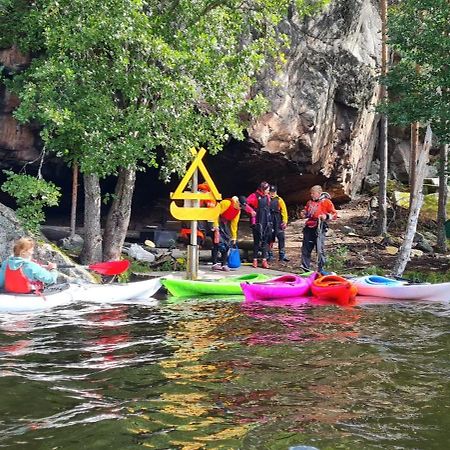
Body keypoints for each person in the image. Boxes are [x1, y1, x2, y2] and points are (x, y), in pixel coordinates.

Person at [300, 185, 337, 274]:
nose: (311, 195)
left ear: (319, 193)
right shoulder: (309, 202)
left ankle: (321, 269)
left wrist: (326, 216)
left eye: (313, 193)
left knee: (320, 249)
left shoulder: (326, 202)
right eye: (311, 193)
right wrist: (303, 213)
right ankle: (305, 268)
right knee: (306, 249)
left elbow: (334, 214)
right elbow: (307, 212)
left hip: (320, 227)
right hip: (309, 227)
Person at [211, 196, 254, 271]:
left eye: (242, 207)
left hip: (224, 224)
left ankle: (223, 264)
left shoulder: (238, 211)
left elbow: (234, 225)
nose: (240, 208)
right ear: (237, 202)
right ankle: (214, 263)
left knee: (227, 243)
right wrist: (215, 226)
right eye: (240, 206)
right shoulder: (226, 203)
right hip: (216, 221)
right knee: (217, 243)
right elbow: (215, 213)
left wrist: (234, 237)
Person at [246, 181, 273, 269]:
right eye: (267, 190)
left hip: (266, 220)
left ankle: (264, 260)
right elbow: (245, 204)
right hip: (257, 220)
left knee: (265, 241)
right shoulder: (254, 196)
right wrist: (251, 211)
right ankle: (255, 260)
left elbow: (268, 208)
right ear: (262, 189)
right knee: (257, 241)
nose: (268, 191)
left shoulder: (268, 197)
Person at [268, 185, 290, 262]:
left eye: (273, 192)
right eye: (270, 192)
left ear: (276, 192)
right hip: (269, 219)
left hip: (277, 219)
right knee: (269, 237)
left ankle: (282, 254)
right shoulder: (266, 199)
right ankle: (269, 254)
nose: (272, 193)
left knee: (281, 237)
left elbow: (284, 211)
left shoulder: (279, 199)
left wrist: (285, 221)